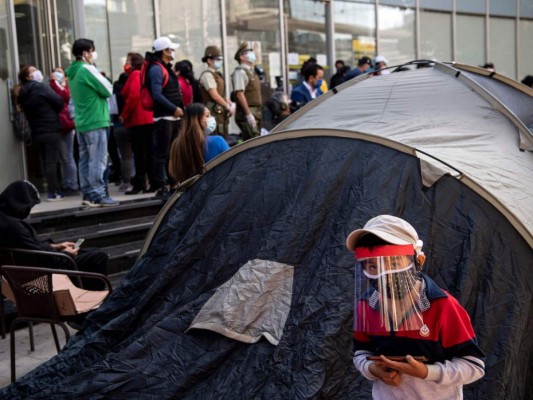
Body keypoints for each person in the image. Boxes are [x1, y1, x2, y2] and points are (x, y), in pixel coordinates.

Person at [346, 215, 485, 399]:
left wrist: (426, 372)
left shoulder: (443, 307)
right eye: (373, 266)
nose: (384, 274)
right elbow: (361, 353)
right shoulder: (367, 305)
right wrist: (373, 369)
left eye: (394, 263)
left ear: (419, 261)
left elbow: (474, 365)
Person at [0, 180, 108, 290]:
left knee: (91, 252)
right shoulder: (13, 227)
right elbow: (39, 258)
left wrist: (54, 246)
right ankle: (88, 298)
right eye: (28, 207)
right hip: (42, 272)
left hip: (37, 264)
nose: (28, 211)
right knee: (99, 257)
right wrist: (67, 254)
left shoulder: (6, 218)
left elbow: (29, 245)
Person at [66, 38, 119, 207]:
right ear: (85, 53)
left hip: (82, 122)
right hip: (96, 120)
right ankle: (97, 194)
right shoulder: (87, 69)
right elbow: (108, 88)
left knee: (85, 159)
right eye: (92, 50)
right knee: (98, 159)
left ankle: (88, 193)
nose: (94, 54)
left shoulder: (72, 72)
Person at [144, 36, 184, 199]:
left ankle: (173, 181)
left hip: (172, 118)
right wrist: (174, 108)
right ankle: (162, 185)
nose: (173, 52)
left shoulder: (164, 67)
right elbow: (157, 94)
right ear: (164, 51)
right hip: (164, 118)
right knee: (162, 153)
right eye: (171, 49)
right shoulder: (156, 69)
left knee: (171, 152)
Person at [17, 65, 64, 202]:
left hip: (37, 131)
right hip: (50, 128)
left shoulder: (23, 92)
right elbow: (58, 101)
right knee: (53, 161)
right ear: (28, 77)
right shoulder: (41, 87)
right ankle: (53, 192)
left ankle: (55, 190)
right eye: (32, 71)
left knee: (46, 161)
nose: (37, 72)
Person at [168, 103, 229, 184]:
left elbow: (172, 172)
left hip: (188, 193)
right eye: (207, 116)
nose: (211, 118)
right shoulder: (218, 141)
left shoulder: (177, 144)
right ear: (197, 120)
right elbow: (233, 165)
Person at [120, 52, 154, 194]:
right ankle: (151, 181)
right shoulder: (143, 74)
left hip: (138, 120)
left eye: (128, 60)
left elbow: (133, 96)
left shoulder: (135, 75)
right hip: (147, 119)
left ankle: (140, 184)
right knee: (148, 153)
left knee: (140, 154)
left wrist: (124, 115)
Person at [49, 66, 79, 196]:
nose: (57, 74)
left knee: (68, 156)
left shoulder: (66, 86)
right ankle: (66, 183)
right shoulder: (52, 86)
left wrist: (54, 82)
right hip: (58, 125)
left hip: (67, 125)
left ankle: (72, 184)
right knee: (63, 157)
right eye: (55, 71)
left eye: (60, 71)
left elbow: (64, 96)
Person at [199, 45, 235, 138]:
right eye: (217, 59)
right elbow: (214, 95)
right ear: (209, 60)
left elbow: (220, 94)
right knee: (215, 135)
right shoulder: (207, 75)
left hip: (219, 111)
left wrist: (229, 103)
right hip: (212, 111)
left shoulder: (217, 74)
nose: (220, 61)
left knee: (223, 133)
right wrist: (227, 106)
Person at [232, 42, 262, 141]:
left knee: (257, 140)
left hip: (256, 111)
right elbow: (240, 94)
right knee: (253, 142)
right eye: (247, 52)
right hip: (248, 111)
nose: (251, 54)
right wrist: (248, 114)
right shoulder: (240, 72)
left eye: (251, 51)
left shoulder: (251, 72)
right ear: (241, 57)